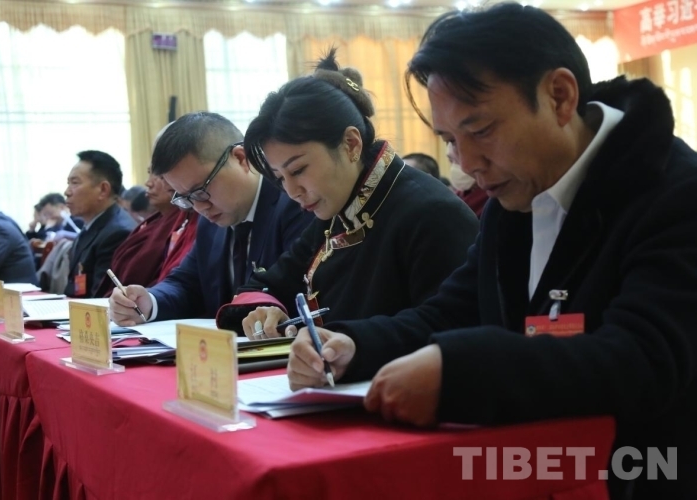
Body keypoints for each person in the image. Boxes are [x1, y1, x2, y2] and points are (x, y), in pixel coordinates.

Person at [287, 5, 697, 499]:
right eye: (449, 140)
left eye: (481, 131)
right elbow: (451, 311)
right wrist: (354, 346)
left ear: (559, 96)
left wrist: (462, 371)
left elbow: (643, 360)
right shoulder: (516, 193)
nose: (468, 162)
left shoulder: (673, 193)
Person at [220, 50, 478, 339]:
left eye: (299, 169)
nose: (292, 192)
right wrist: (266, 310)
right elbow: (269, 282)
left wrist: (349, 344)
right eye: (280, 178)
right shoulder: (336, 212)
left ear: (351, 144)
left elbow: (447, 330)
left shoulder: (431, 214)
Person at [108, 112, 314, 325]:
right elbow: (187, 283)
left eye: (201, 190)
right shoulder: (210, 220)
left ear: (241, 158)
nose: (199, 207)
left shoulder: (294, 205)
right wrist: (149, 302)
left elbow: (295, 293)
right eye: (186, 197)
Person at [97, 166, 197, 297]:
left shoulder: (193, 222)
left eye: (160, 176)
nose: (148, 183)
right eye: (149, 173)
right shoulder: (151, 223)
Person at [64, 150, 136, 298]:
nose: (67, 192)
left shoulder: (118, 233)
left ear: (103, 190)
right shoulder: (91, 225)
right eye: (68, 183)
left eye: (75, 183)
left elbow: (102, 299)